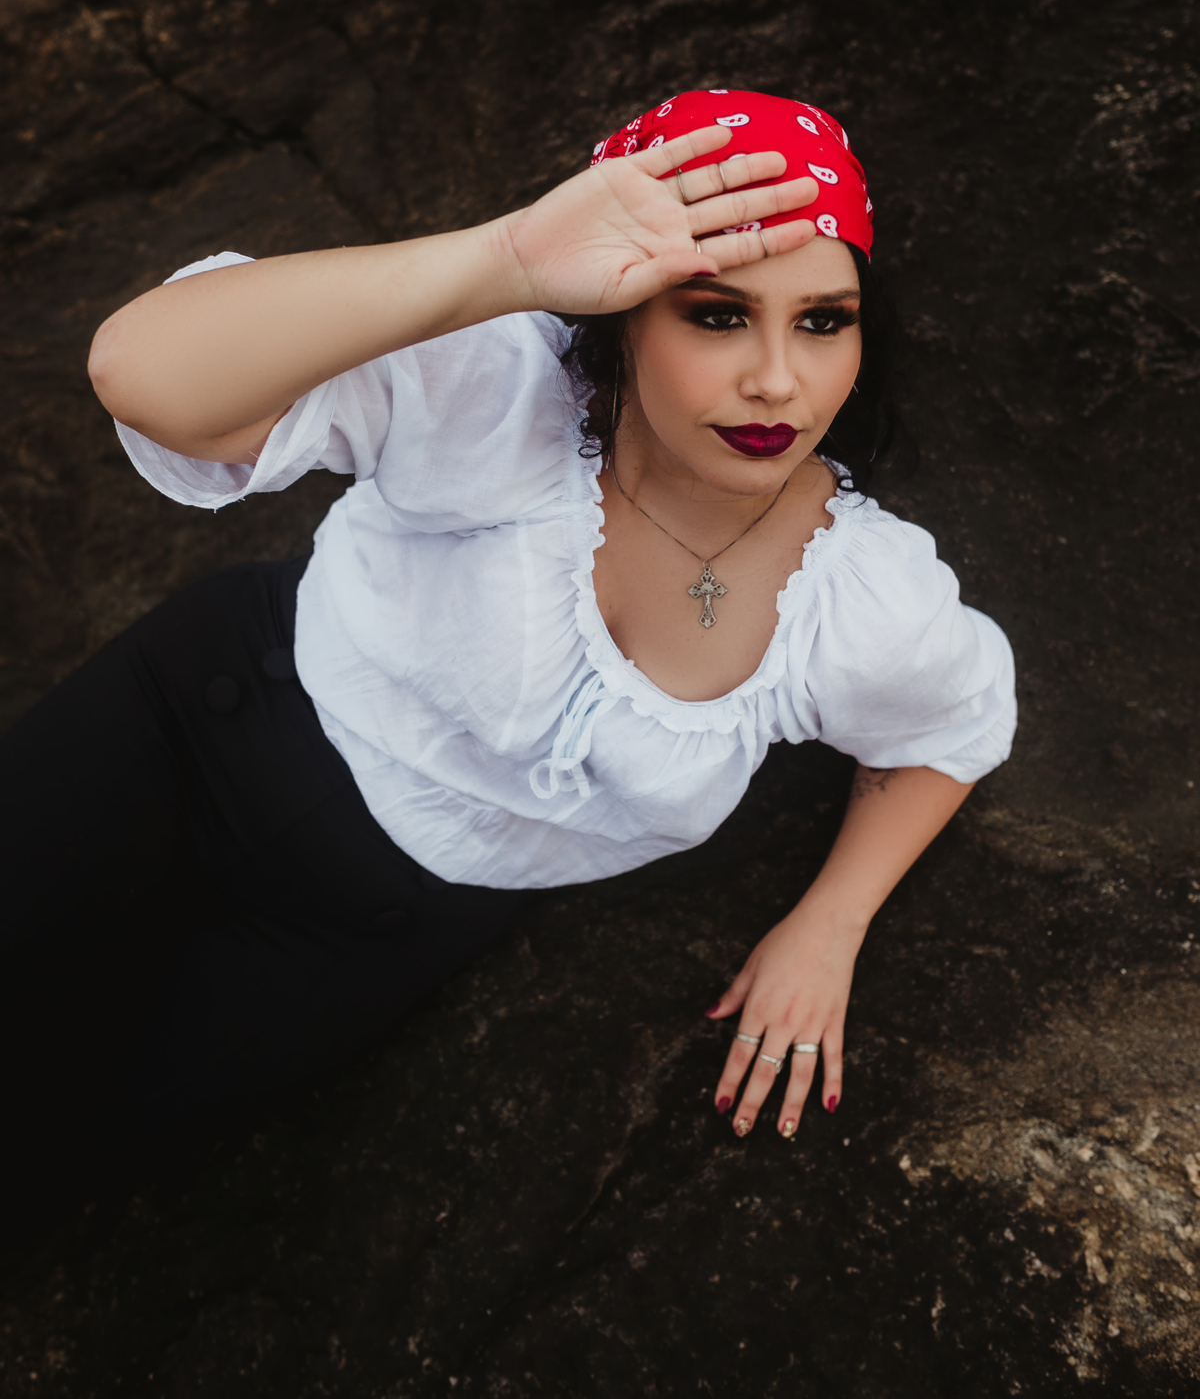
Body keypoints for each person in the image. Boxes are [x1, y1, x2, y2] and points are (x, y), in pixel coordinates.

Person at [3, 89, 1015, 1164]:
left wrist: (830, 923)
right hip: (199, 724)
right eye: (717, 315)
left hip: (370, 926)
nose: (776, 381)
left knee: (58, 1139)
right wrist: (512, 259)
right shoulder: (501, 388)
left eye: (822, 321)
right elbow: (140, 373)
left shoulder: (862, 600)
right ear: (625, 318)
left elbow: (948, 733)